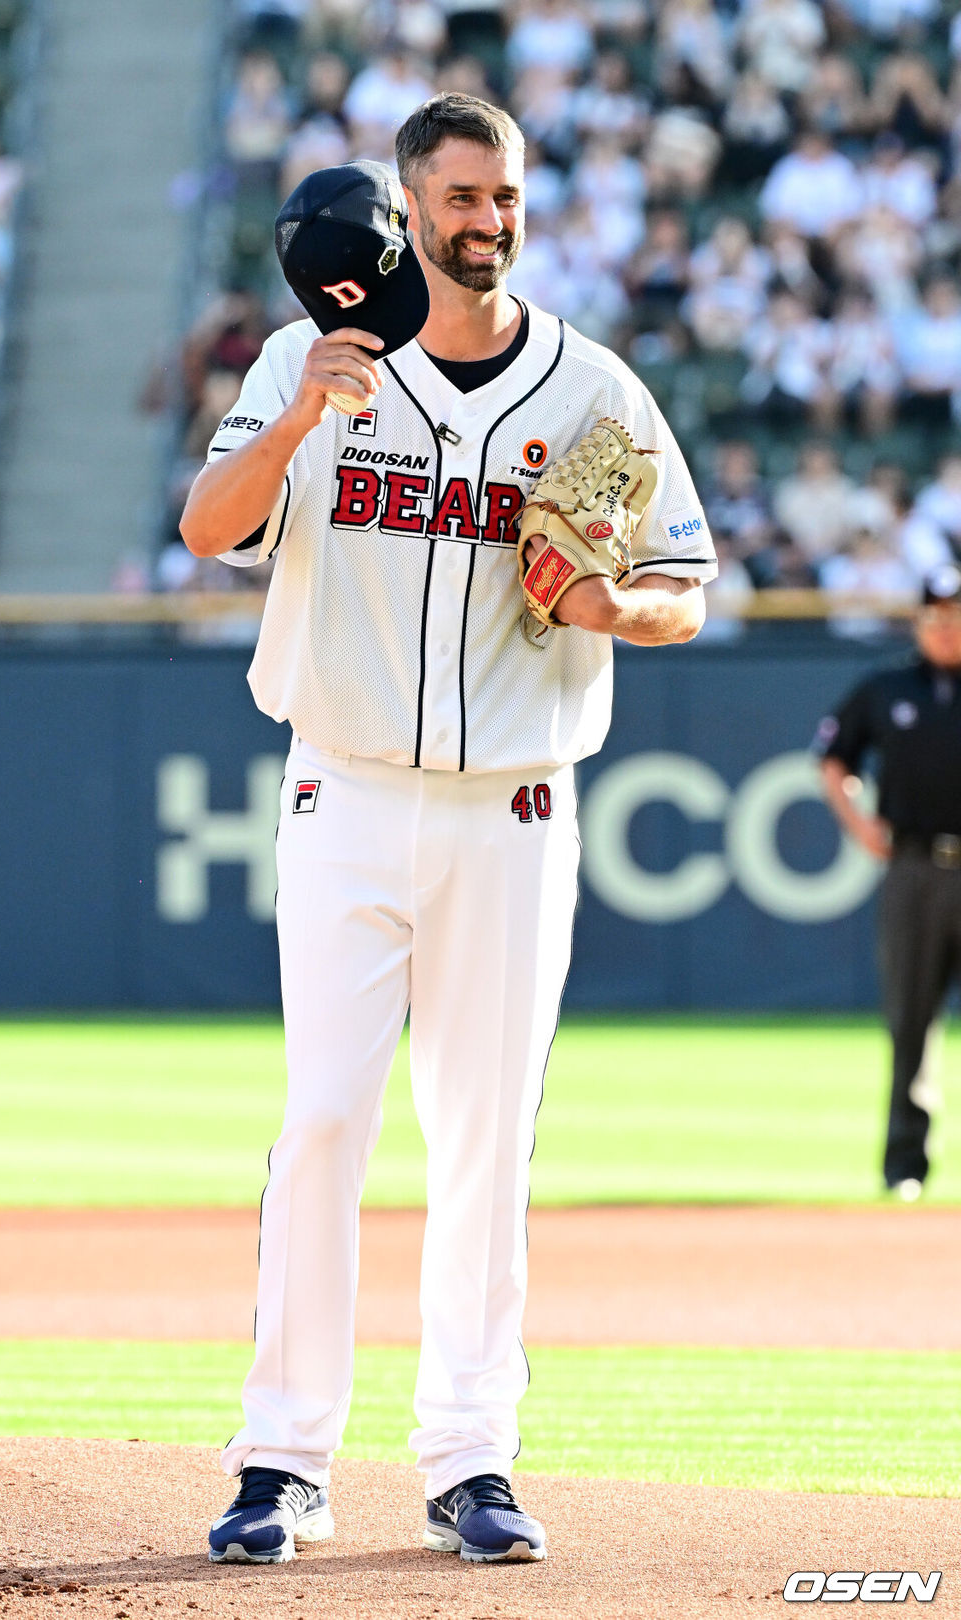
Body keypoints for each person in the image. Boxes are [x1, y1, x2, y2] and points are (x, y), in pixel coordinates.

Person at [180, 93, 715, 1568]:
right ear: (408, 210)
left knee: (485, 1142)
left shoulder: (592, 391)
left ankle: (472, 1457)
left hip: (514, 808)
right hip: (341, 789)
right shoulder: (307, 359)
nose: (490, 220)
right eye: (464, 197)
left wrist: (619, 607)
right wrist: (300, 409)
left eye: (507, 197)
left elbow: (687, 583)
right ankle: (281, 1458)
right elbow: (207, 528)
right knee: (325, 1124)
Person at [817, 565, 961, 1201]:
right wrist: (859, 824)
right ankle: (906, 1166)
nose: (945, 628)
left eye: (955, 617)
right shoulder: (887, 686)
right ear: (919, 621)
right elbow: (832, 756)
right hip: (914, 867)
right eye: (935, 616)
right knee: (910, 1018)